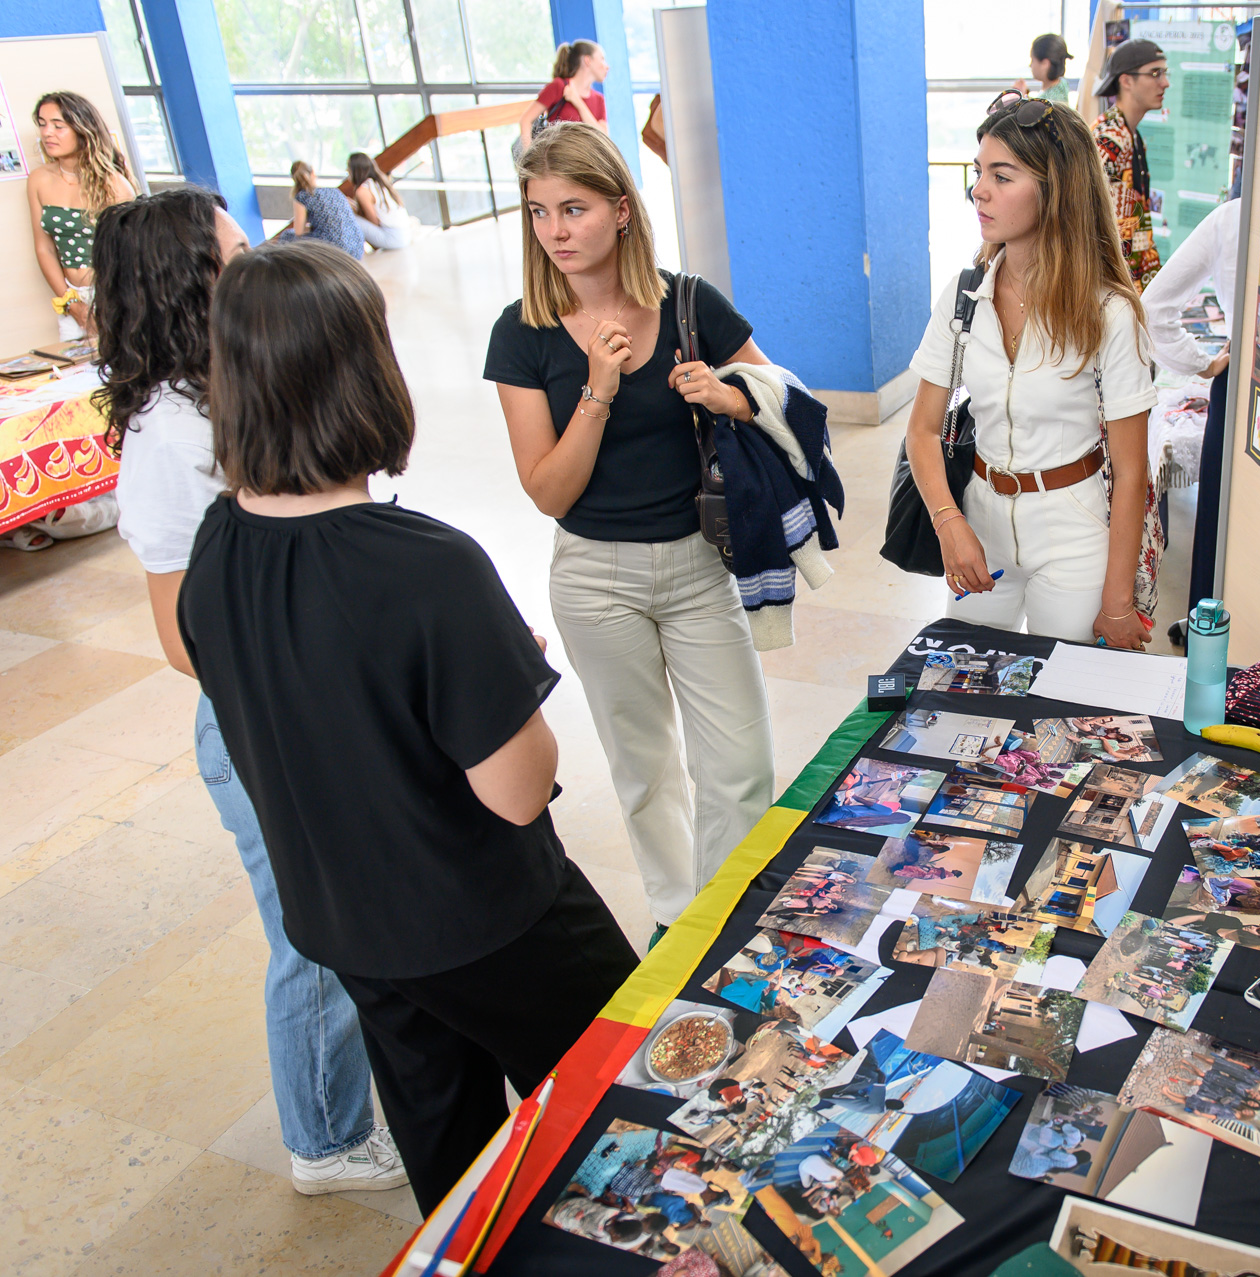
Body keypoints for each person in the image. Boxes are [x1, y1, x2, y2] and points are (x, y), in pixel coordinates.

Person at [177, 239, 639, 1213]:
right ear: (363, 371)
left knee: (450, 1154)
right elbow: (515, 792)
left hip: (347, 921)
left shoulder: (215, 545)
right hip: (485, 913)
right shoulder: (426, 564)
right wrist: (517, 667)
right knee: (619, 1105)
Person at [89, 188, 406, 1195]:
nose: (257, 258)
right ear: (190, 283)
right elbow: (188, 637)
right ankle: (324, 1135)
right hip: (263, 724)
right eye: (234, 250)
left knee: (342, 919)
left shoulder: (229, 399)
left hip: (304, 709)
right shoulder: (168, 439)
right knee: (307, 936)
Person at [485, 123, 775, 943]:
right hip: (593, 577)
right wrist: (597, 390)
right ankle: (676, 922)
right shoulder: (522, 333)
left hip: (697, 566)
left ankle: (724, 914)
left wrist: (727, 395)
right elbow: (547, 489)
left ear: (619, 210)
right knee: (644, 772)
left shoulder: (689, 303)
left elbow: (776, 397)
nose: (555, 232)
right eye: (538, 213)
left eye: (572, 209)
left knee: (741, 763)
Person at [904, 95, 1157, 648]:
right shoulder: (965, 295)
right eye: (979, 173)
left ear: (1055, 189)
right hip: (979, 524)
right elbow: (921, 429)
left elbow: (1132, 471)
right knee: (963, 698)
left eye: (1002, 175)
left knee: (1063, 709)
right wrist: (949, 524)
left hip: (1072, 533)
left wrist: (1116, 602)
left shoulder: (1108, 314)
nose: (979, 190)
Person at [1140, 196, 1238, 636]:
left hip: (1242, 387)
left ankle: (1206, 631)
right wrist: (1204, 363)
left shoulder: (1233, 216)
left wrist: (1203, 365)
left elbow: (1154, 306)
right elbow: (1154, 309)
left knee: (1222, 522)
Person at [27, 91, 136, 341]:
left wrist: (110, 304)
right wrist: (72, 303)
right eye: (42, 124)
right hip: (71, 298)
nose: (47, 133)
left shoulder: (115, 184)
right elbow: (44, 248)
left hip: (115, 294)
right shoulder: (38, 180)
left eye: (58, 125)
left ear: (82, 129)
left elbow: (130, 253)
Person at [1092, 38, 1168, 289]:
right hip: (1107, 283)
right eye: (1155, 73)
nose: (1164, 83)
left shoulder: (1131, 135)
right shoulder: (1110, 137)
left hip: (1129, 280)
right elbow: (1075, 207)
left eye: (1164, 73)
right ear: (1126, 81)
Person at [520, 40, 611, 153]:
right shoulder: (559, 86)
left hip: (586, 163)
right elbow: (526, 120)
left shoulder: (599, 99)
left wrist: (577, 101)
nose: (607, 66)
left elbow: (603, 137)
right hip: (558, 162)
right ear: (587, 60)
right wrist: (529, 160)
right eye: (602, 59)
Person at [288, 160, 365, 260]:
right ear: (313, 174)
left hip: (336, 251)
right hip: (357, 247)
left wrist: (314, 228)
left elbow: (298, 232)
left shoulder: (301, 197)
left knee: (288, 236)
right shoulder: (334, 191)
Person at [347, 152, 414, 251]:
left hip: (393, 238)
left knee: (351, 218)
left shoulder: (362, 190)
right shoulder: (380, 182)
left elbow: (374, 222)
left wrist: (353, 209)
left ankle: (357, 253)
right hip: (405, 235)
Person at [1015, 34, 1072, 103]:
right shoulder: (1062, 84)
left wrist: (1021, 99)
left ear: (1045, 64)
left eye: (1033, 60)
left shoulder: (1048, 103)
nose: (1030, 65)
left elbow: (1038, 107)